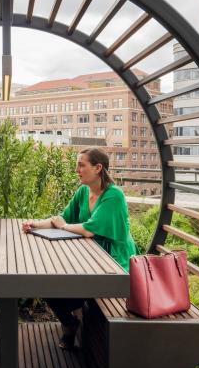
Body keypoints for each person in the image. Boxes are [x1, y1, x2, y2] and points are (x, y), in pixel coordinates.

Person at [21, 147, 138, 350]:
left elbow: (88, 230)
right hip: (88, 257)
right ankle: (72, 320)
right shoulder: (84, 190)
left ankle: (75, 320)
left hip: (113, 264)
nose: (77, 170)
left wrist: (63, 226)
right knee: (45, 279)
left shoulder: (114, 195)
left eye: (81, 165)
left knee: (57, 283)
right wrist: (36, 224)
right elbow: (63, 217)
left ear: (98, 168)